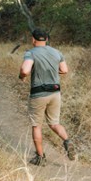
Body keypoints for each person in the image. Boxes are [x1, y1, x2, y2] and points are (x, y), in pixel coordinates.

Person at [19, 28, 75, 166]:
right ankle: (67, 141)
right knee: (54, 123)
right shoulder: (57, 52)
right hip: (55, 93)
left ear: (33, 39)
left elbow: (25, 70)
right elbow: (65, 70)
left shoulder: (30, 53)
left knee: (37, 125)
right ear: (47, 39)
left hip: (38, 94)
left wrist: (22, 76)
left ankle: (40, 157)